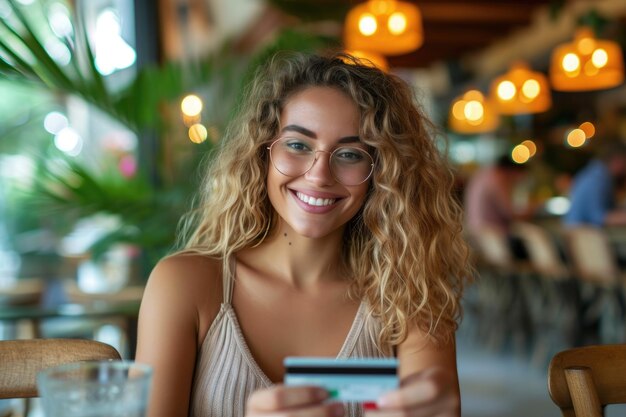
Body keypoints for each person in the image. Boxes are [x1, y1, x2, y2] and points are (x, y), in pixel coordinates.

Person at [135, 52, 471, 417]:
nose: (319, 175)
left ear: (382, 174)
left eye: (349, 154)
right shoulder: (183, 284)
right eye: (298, 145)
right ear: (263, 153)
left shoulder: (410, 296)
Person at [463, 155, 529, 259]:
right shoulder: (497, 179)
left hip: (473, 227)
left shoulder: (482, 175)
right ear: (511, 170)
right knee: (534, 235)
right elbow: (509, 212)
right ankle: (549, 271)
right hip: (487, 231)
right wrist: (532, 209)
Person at [563, 142, 626, 227]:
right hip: (583, 234)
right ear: (618, 160)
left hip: (583, 232)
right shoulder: (597, 178)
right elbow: (597, 217)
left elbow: (609, 208)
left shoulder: (597, 173)